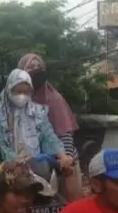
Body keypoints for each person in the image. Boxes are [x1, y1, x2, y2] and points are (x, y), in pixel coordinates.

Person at [17, 53, 83, 201]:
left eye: (39, 67)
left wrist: (66, 160)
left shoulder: (54, 99)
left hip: (61, 161)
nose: (36, 70)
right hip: (30, 164)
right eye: (31, 67)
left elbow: (64, 132)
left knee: (70, 204)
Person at [0, 68, 73, 170]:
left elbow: (49, 136)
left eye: (26, 92)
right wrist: (18, 161)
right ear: (9, 90)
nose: (22, 96)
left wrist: (62, 155)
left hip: (37, 166)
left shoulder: (37, 111)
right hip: (7, 167)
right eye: (18, 91)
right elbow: (0, 145)